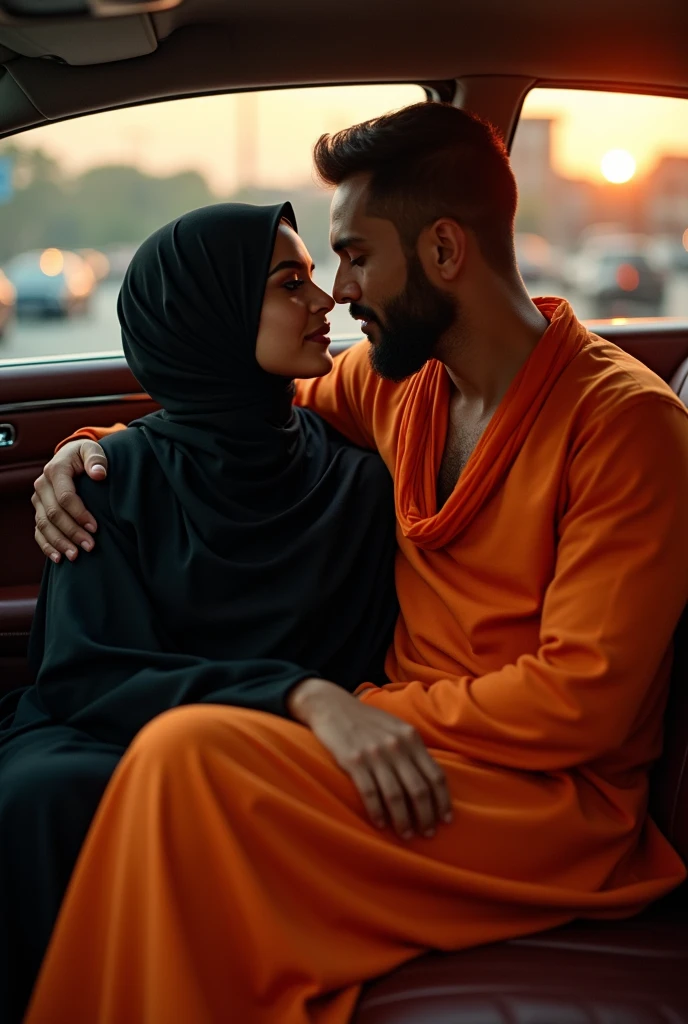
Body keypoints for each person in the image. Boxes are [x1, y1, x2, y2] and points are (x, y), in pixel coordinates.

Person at [27, 103, 688, 1024]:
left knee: (186, 757)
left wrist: (359, 709)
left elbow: (582, 700)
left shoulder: (625, 426)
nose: (338, 293)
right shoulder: (397, 381)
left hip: (544, 805)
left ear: (445, 252)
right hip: (407, 757)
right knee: (169, 767)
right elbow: (227, 416)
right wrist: (91, 453)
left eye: (356, 256)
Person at [1, 201, 416, 1023]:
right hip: (103, 733)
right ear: (207, 310)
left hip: (266, 760)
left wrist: (292, 712)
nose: (323, 301)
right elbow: (87, 673)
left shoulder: (356, 486)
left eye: (313, 278)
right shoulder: (111, 476)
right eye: (288, 282)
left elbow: (357, 658)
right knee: (46, 796)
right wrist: (288, 691)